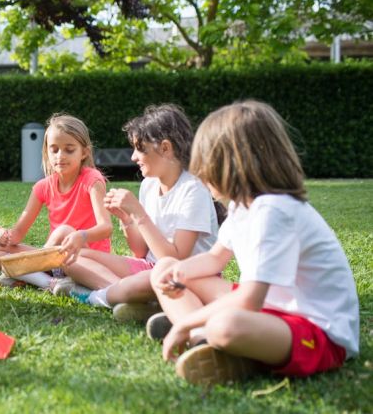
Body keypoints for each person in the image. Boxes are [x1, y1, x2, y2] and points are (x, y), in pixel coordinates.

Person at [151, 100, 359, 386]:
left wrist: (186, 321)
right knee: (164, 266)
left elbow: (249, 299)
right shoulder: (242, 207)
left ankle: (201, 331)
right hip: (271, 311)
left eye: (204, 164)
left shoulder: (273, 210)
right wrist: (178, 275)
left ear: (231, 165)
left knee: (226, 326)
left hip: (318, 331)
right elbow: (215, 259)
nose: (198, 174)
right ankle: (202, 341)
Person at [52, 105, 219, 324]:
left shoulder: (193, 189)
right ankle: (133, 299)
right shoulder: (149, 185)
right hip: (149, 268)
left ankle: (103, 296)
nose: (133, 156)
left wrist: (138, 214)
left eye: (140, 149)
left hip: (185, 274)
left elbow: (174, 259)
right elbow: (140, 251)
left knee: (149, 278)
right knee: (70, 257)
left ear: (166, 148)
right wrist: (127, 219)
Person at [0, 113, 113, 290]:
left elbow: (106, 228)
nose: (60, 156)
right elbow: (17, 235)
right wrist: (4, 236)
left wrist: (80, 236)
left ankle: (27, 274)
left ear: (85, 152)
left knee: (63, 231)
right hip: (52, 257)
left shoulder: (92, 180)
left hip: (86, 258)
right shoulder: (42, 187)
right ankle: (48, 282)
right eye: (54, 149)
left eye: (69, 149)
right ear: (46, 151)